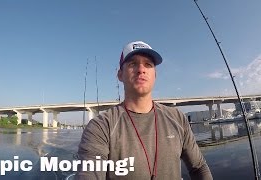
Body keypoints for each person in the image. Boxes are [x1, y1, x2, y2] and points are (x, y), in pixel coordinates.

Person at [75, 41, 213, 180]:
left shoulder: (177, 118)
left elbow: (199, 167)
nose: (141, 69)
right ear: (120, 75)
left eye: (148, 64)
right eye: (132, 64)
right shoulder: (101, 126)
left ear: (155, 75)